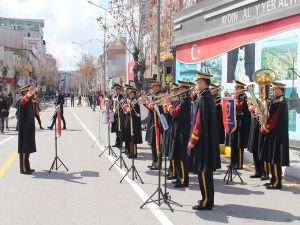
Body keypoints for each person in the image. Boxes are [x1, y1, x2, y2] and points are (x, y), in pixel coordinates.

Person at [187, 72, 220, 210]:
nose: (196, 85)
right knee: (206, 173)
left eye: (198, 82)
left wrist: (192, 140)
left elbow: (199, 123)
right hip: (207, 141)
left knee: (203, 172)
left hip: (203, 142)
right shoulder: (207, 97)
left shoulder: (204, 99)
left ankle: (206, 201)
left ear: (202, 83)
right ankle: (207, 199)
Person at [260, 82, 289, 189]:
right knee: (272, 158)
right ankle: (273, 180)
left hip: (277, 136)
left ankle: (277, 182)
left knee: (276, 159)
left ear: (279, 90)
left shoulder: (280, 102)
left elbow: (273, 120)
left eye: (274, 90)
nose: (272, 92)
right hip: (274, 135)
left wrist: (264, 128)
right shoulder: (276, 101)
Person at [166, 81, 191, 188]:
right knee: (176, 155)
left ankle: (184, 180)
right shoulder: (181, 100)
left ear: (184, 89)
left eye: (180, 89)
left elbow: (174, 113)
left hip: (182, 132)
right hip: (177, 130)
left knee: (181, 157)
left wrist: (168, 105)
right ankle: (178, 177)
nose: (178, 91)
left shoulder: (186, 101)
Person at [229, 80, 251, 169]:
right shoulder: (236, 97)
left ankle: (239, 163)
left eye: (236, 88)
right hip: (235, 121)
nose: (235, 89)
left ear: (241, 89)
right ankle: (232, 162)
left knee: (239, 144)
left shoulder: (244, 97)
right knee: (233, 143)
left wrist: (234, 98)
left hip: (241, 123)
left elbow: (240, 107)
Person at [144, 81, 163, 170]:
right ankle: (154, 161)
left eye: (154, 87)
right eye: (152, 87)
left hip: (157, 122)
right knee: (152, 143)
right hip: (152, 121)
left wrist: (147, 103)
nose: (152, 88)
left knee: (157, 144)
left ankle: (158, 163)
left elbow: (154, 108)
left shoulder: (160, 96)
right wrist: (146, 102)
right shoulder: (153, 96)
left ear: (158, 87)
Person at [18, 85, 37, 174]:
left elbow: (34, 97)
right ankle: (23, 169)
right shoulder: (22, 100)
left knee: (28, 149)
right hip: (24, 129)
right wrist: (29, 93)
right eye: (28, 92)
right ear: (24, 92)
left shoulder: (29, 100)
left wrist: (33, 92)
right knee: (24, 150)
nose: (29, 93)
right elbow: (24, 100)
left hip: (29, 128)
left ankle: (28, 167)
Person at [123, 88, 142, 158]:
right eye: (129, 94)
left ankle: (134, 153)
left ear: (134, 94)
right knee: (129, 137)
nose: (130, 95)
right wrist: (125, 107)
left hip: (134, 122)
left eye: (131, 93)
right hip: (129, 120)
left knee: (133, 138)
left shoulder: (135, 101)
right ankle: (130, 152)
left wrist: (127, 108)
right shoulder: (129, 100)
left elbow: (135, 112)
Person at [111, 84, 124, 148]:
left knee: (120, 129)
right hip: (115, 114)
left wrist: (117, 107)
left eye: (117, 90)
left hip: (120, 114)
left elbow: (121, 105)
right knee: (116, 129)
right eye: (115, 90)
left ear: (119, 90)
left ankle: (120, 143)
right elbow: (112, 104)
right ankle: (117, 142)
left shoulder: (121, 97)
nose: (116, 91)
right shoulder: (114, 96)